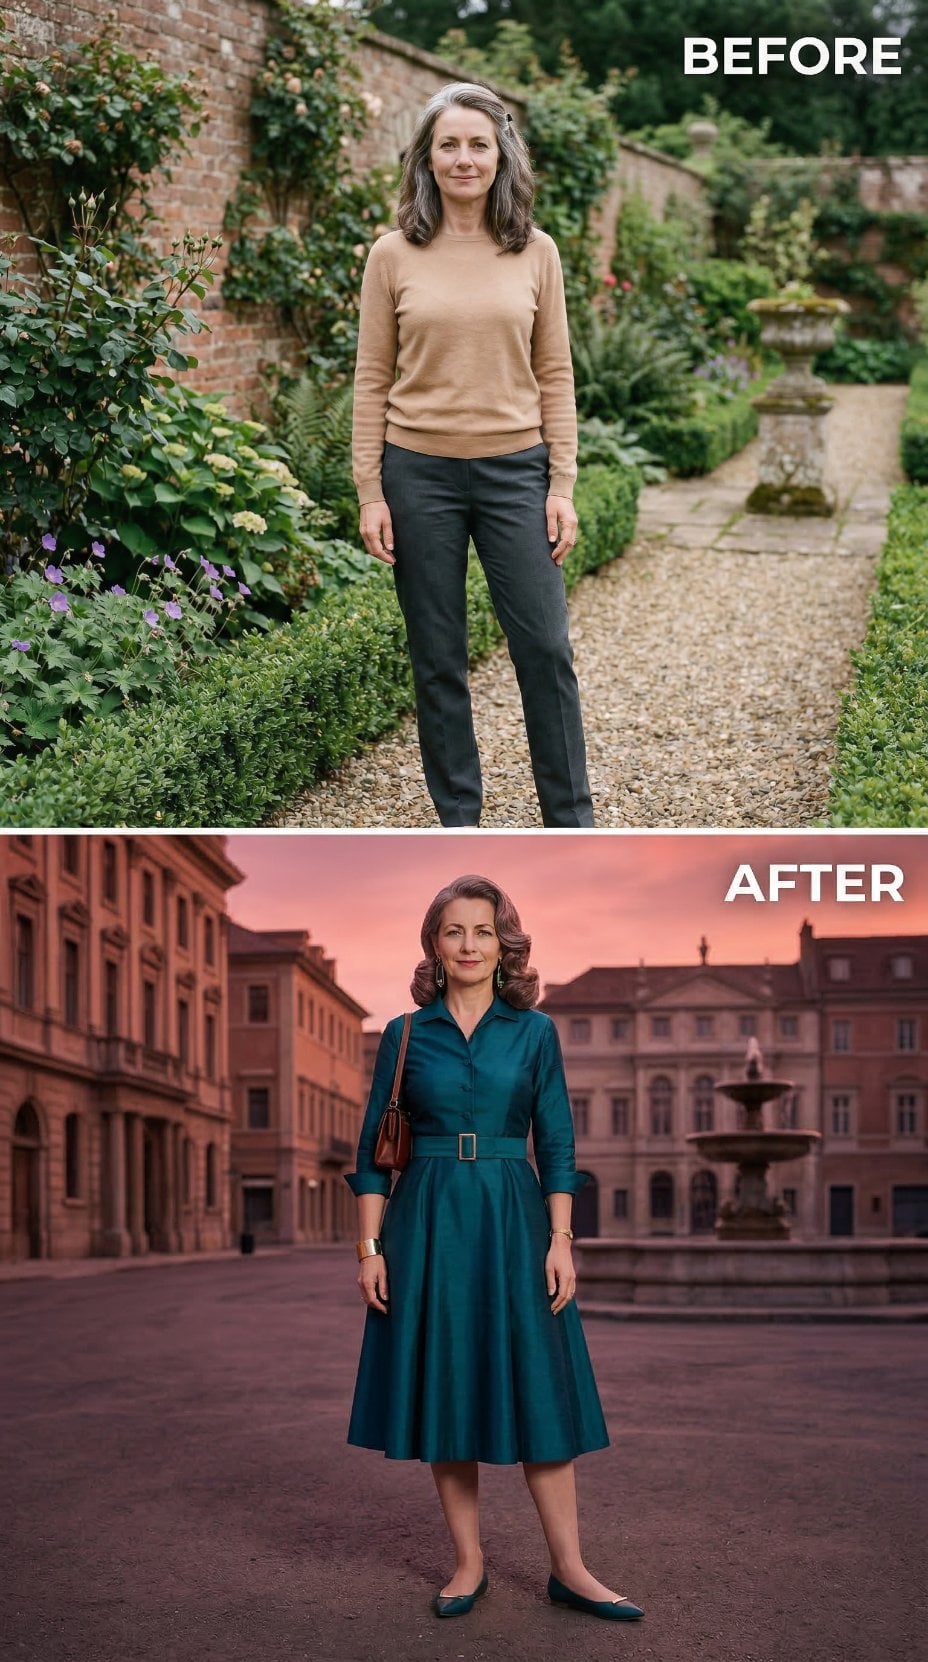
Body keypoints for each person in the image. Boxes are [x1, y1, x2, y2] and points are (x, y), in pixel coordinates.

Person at [344, 874, 644, 1622]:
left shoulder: (534, 1032)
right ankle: (468, 1563)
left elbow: (560, 1142)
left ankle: (570, 1569)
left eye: (483, 931)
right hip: (430, 1217)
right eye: (455, 931)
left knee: (537, 1383)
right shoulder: (404, 1035)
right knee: (447, 1385)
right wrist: (371, 1248)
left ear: (503, 943)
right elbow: (373, 1153)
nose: (470, 944)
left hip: (515, 1213)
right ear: (435, 945)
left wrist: (562, 1239)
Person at [351, 81, 594, 829]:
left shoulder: (536, 252)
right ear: (426, 158)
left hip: (516, 473)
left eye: (477, 145)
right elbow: (371, 377)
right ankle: (459, 816)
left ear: (500, 156)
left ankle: (571, 819)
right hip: (416, 474)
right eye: (448, 144)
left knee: (546, 649)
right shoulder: (393, 254)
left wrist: (562, 482)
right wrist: (370, 489)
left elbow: (555, 372)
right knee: (438, 658)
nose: (463, 158)